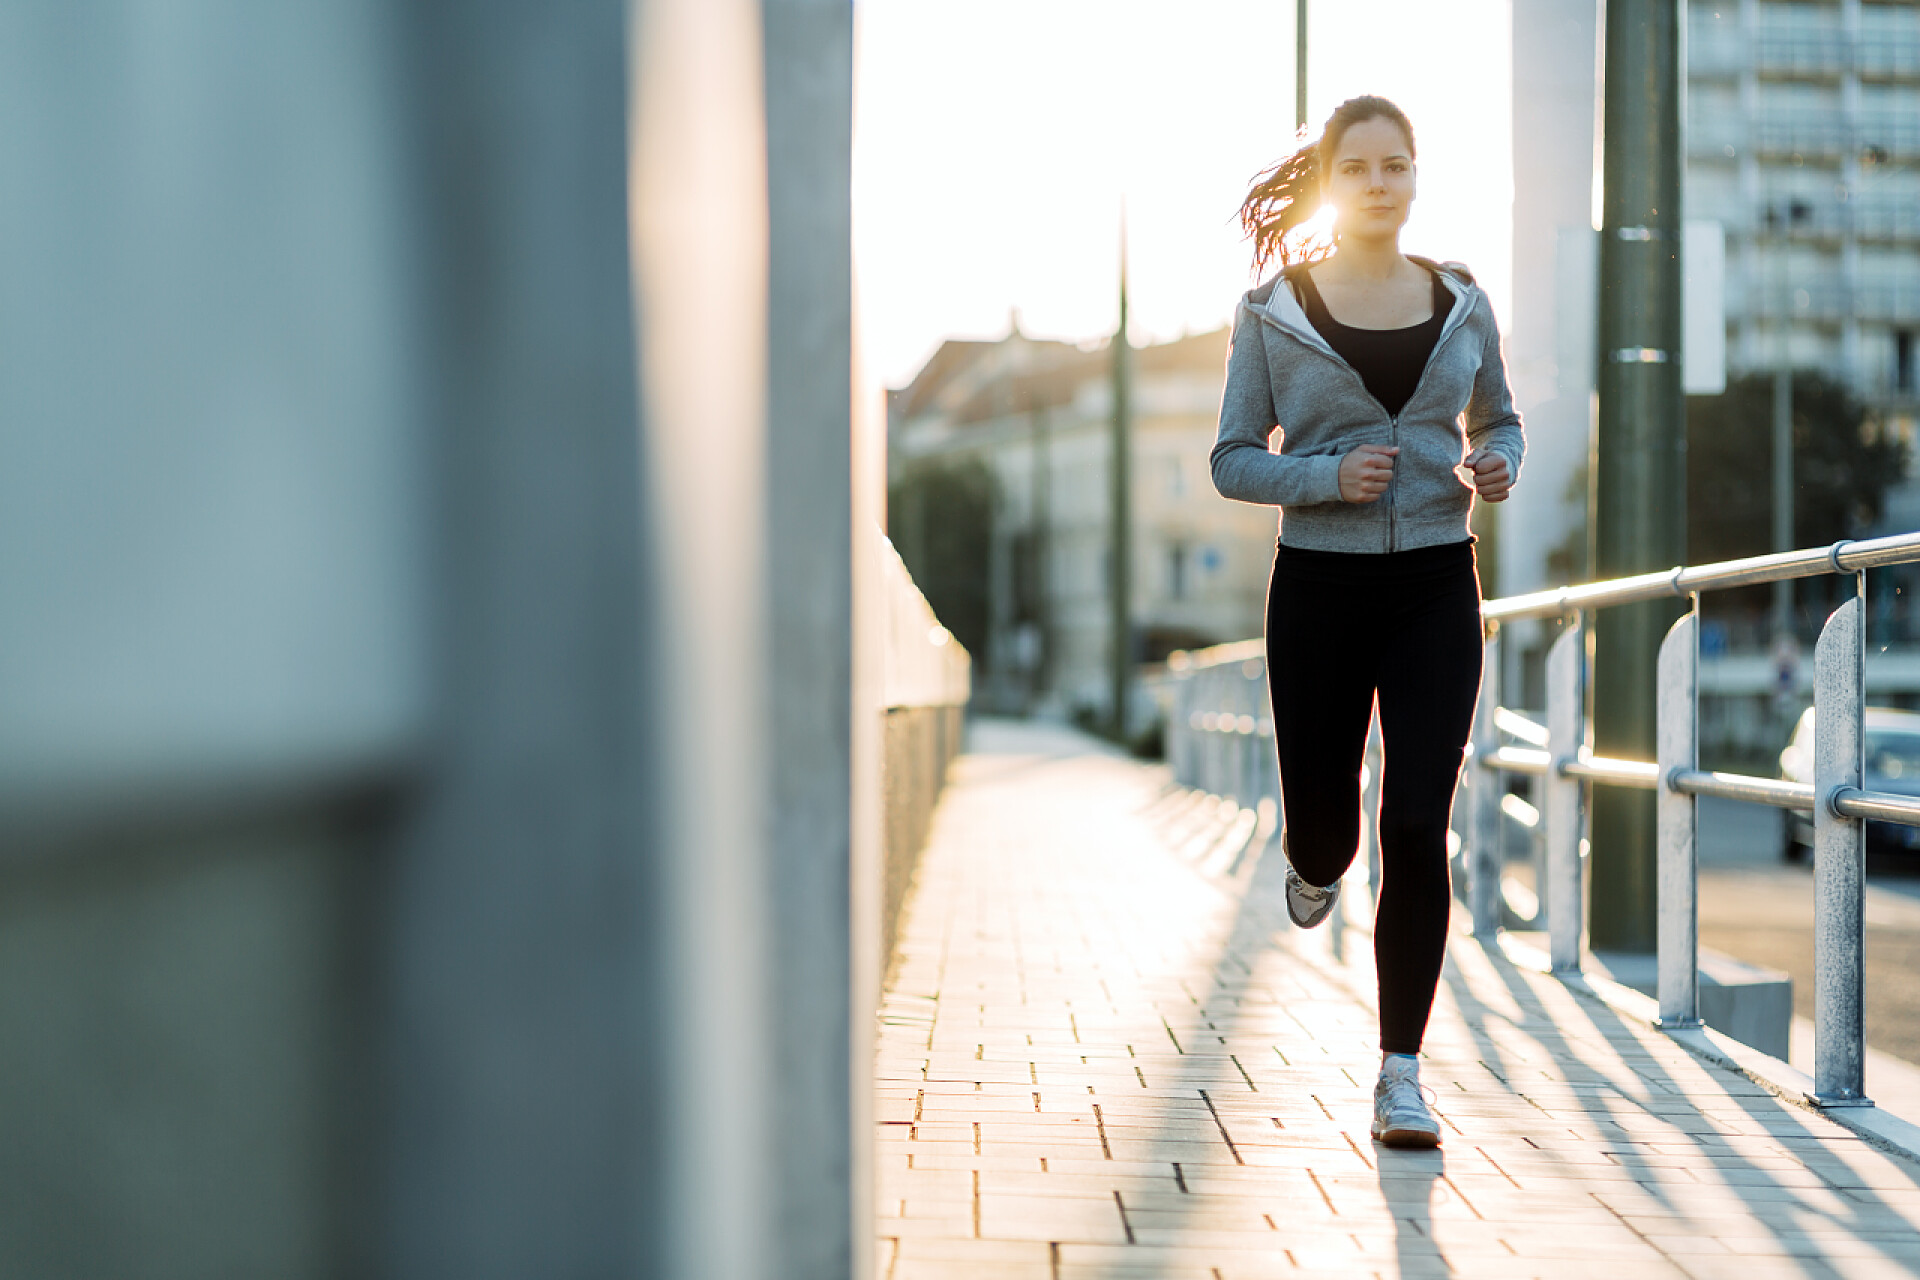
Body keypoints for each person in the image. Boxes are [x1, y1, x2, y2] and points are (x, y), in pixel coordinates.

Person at [1210, 96, 1524, 1149]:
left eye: (1399, 165)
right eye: (1362, 166)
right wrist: (1328, 474)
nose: (1382, 182)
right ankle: (1310, 856)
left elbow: (1502, 419)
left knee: (1415, 821)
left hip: (1439, 583)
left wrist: (1499, 464)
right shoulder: (1273, 309)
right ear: (1333, 180)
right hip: (1319, 590)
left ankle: (1400, 1072)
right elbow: (1232, 456)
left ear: (1417, 176)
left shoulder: (1464, 301)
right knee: (1332, 828)